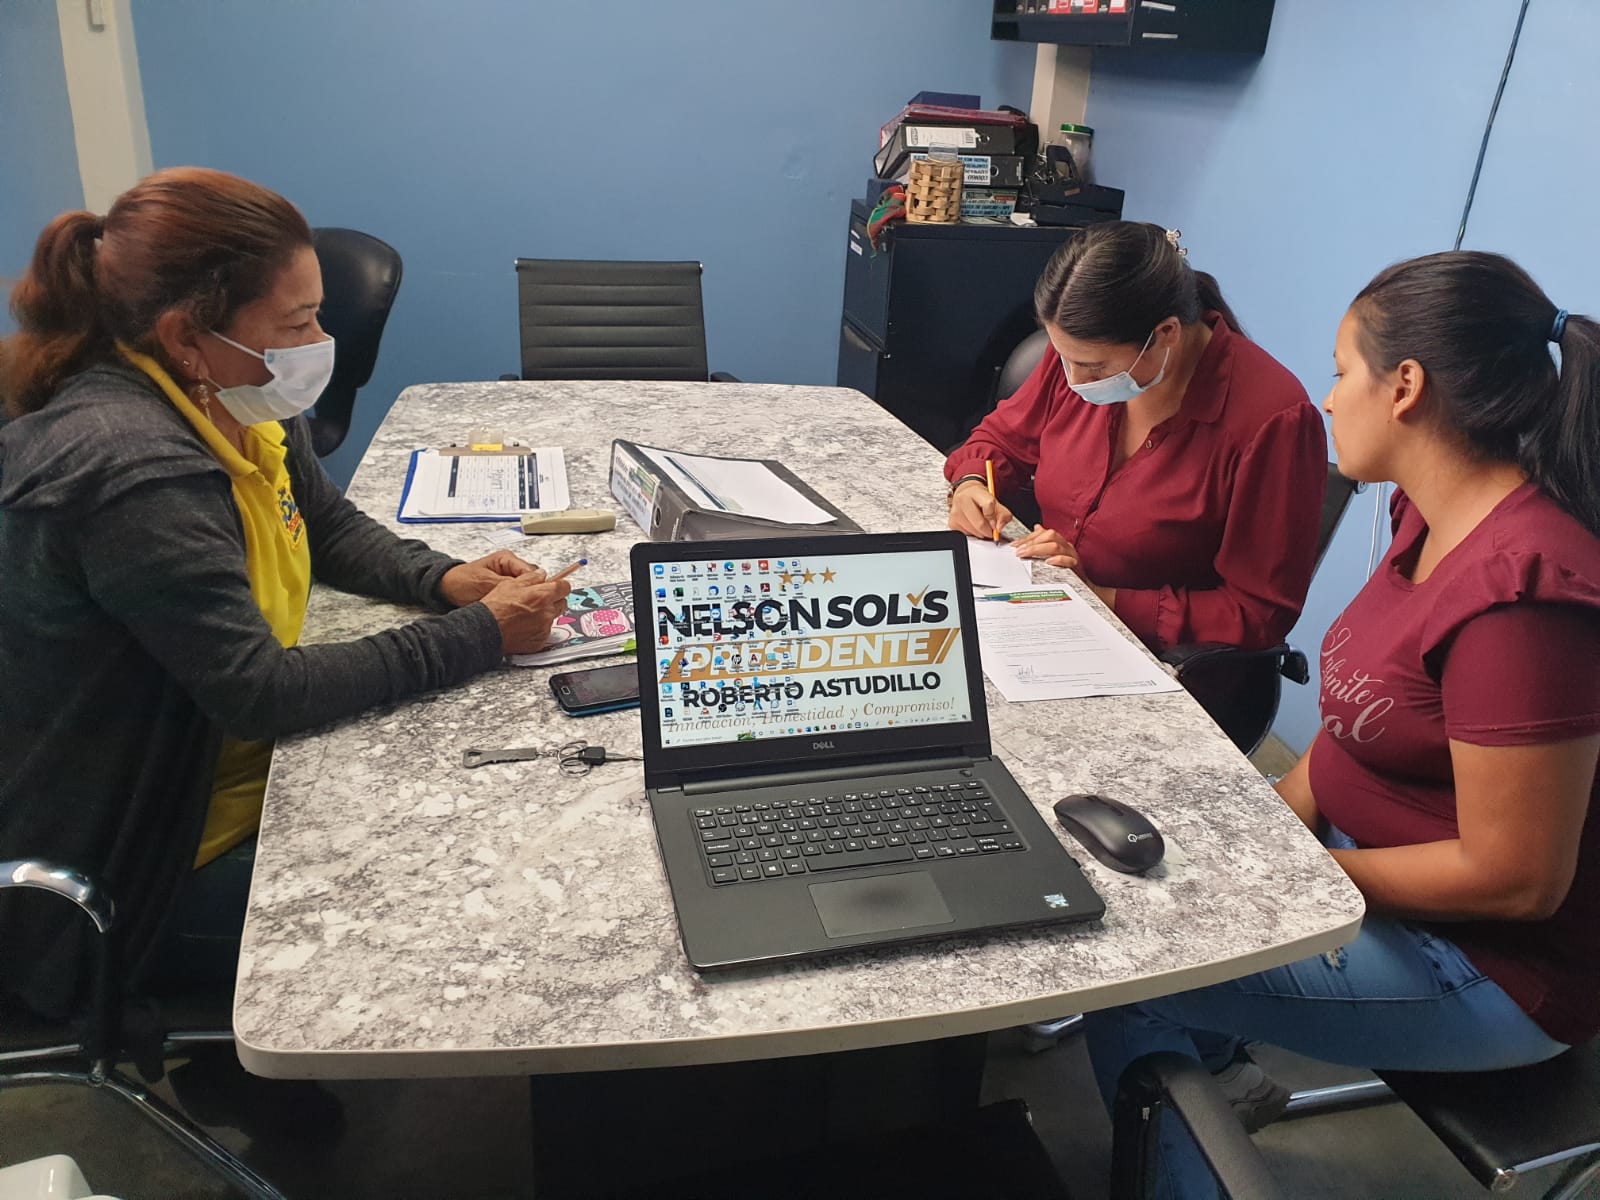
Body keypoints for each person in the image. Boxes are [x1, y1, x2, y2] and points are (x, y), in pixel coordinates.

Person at [1080, 251, 1600, 1200]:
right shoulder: (1424, 514)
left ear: (1406, 388)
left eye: (1341, 370)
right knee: (1147, 857)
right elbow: (1368, 710)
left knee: (1134, 975)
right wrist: (1272, 820)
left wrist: (1295, 879)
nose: (1326, 398)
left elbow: (1517, 879)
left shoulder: (1522, 599)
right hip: (1374, 874)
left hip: (1485, 968)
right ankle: (1219, 1081)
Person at [0, 168, 572, 1017]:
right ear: (187, 334)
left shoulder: (232, 393)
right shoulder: (136, 473)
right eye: (298, 322)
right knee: (464, 909)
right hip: (144, 862)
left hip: (227, 774)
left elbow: (324, 523)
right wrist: (482, 634)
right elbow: (260, 692)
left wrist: (442, 578)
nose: (319, 341)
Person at [945, 222, 1328, 654]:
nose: (1074, 382)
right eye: (1064, 359)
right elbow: (1000, 440)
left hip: (1160, 661)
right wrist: (971, 485)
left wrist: (1100, 597)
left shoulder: (1273, 419)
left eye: (1095, 368)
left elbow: (1257, 615)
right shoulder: (1083, 348)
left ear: (1166, 334)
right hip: (1050, 614)